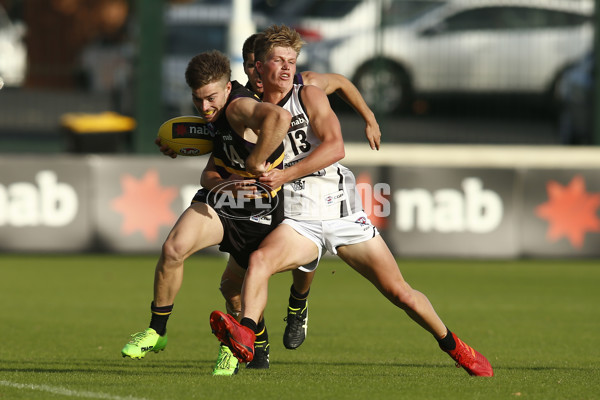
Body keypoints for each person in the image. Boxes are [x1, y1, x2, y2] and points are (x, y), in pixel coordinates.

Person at [210, 25, 494, 377]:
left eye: (292, 61)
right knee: (261, 261)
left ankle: (455, 346)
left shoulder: (308, 95)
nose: (286, 68)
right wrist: (181, 142)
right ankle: (247, 335)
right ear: (258, 67)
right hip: (300, 219)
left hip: (340, 211)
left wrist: (285, 173)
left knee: (400, 293)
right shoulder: (251, 111)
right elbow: (214, 131)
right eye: (278, 61)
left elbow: (335, 148)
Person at [205, 32, 384, 375]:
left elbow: (343, 83)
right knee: (232, 283)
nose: (254, 75)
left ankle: (298, 305)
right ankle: (253, 342)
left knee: (303, 254)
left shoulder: (307, 86)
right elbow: (216, 137)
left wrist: (369, 117)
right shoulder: (245, 101)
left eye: (256, 66)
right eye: (248, 68)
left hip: (302, 197)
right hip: (263, 203)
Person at [120, 50, 292, 377]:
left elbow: (279, 118)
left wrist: (255, 163)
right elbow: (208, 173)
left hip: (258, 209)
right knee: (173, 248)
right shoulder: (212, 114)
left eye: (211, 98)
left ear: (228, 89)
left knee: (232, 289)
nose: (204, 108)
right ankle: (157, 331)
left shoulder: (239, 106)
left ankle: (238, 348)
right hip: (223, 201)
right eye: (198, 100)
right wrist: (208, 169)